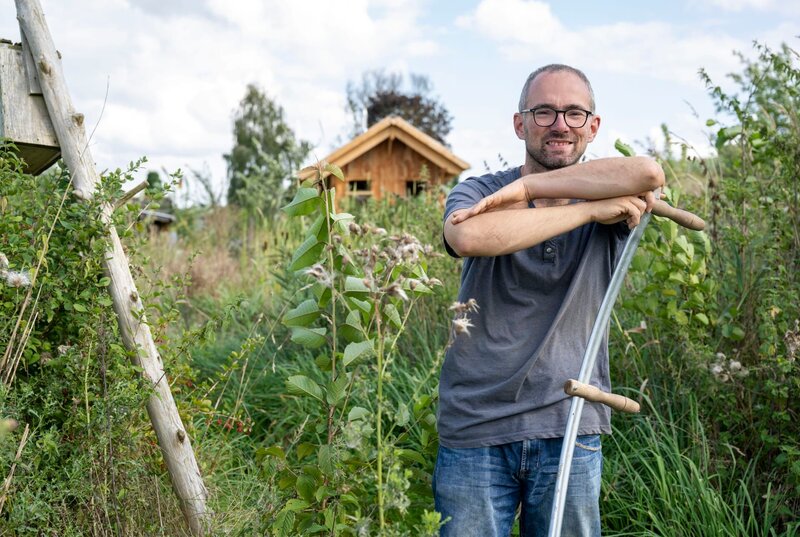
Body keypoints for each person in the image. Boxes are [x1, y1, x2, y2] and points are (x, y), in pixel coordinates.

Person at [435, 64, 664, 536]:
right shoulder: (479, 191)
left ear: (593, 127)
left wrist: (531, 187)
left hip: (570, 422)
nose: (560, 124)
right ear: (520, 124)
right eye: (543, 112)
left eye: (574, 113)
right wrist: (590, 211)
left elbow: (649, 171)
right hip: (476, 427)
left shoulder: (616, 193)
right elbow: (468, 237)